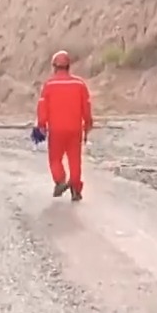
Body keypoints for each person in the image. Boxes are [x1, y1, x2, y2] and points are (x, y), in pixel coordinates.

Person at [35, 50, 94, 202]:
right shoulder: (79, 84)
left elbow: (42, 108)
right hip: (75, 129)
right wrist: (88, 124)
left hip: (56, 130)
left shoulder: (49, 85)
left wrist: (41, 125)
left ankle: (60, 180)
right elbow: (86, 107)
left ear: (54, 66)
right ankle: (75, 189)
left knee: (55, 159)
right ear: (68, 66)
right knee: (75, 160)